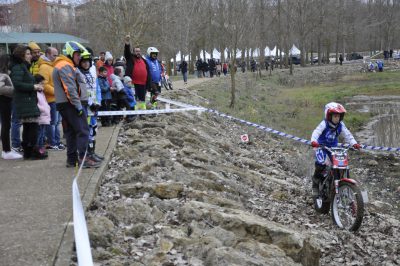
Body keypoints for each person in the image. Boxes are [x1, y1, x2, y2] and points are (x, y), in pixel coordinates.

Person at [53, 41, 100, 168]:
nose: (80, 57)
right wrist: (78, 106)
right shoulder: (65, 66)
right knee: (83, 131)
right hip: (71, 105)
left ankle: (72, 159)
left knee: (72, 133)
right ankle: (83, 158)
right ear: (70, 53)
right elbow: (70, 88)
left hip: (68, 104)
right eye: (78, 54)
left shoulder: (67, 65)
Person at [310, 102, 361, 196]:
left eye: (339, 116)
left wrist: (354, 143)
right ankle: (315, 183)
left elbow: (347, 135)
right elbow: (316, 132)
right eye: (335, 116)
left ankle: (339, 182)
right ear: (329, 115)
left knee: (340, 165)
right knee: (321, 164)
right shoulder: (324, 124)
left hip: (333, 148)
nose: (337, 118)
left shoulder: (341, 125)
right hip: (321, 147)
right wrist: (313, 141)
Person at [9, 45, 44, 160]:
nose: (31, 55)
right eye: (28, 54)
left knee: (29, 127)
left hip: (28, 101)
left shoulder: (23, 67)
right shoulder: (18, 67)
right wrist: (34, 86)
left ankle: (29, 152)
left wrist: (36, 82)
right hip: (25, 101)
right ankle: (32, 151)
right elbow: (17, 84)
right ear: (22, 56)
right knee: (32, 127)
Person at [77, 48, 104, 162]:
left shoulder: (92, 72)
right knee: (87, 131)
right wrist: (89, 103)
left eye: (88, 61)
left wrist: (98, 102)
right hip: (86, 107)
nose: (86, 64)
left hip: (94, 106)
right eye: (83, 62)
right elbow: (80, 92)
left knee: (93, 129)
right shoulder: (78, 74)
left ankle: (92, 152)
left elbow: (97, 88)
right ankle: (86, 154)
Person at [38, 46, 64, 150]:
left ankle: (56, 141)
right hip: (51, 100)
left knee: (57, 123)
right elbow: (44, 84)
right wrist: (57, 92)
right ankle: (52, 142)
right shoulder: (44, 67)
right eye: (54, 55)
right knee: (52, 123)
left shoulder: (53, 66)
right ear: (48, 55)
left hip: (56, 99)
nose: (56, 57)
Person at [0, 54, 22, 159]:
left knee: (6, 125)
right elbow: (1, 88)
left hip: (6, 101)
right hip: (4, 101)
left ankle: (6, 150)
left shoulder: (5, 74)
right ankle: (6, 150)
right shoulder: (2, 75)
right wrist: (14, 90)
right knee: (5, 125)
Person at [124, 35, 151, 110]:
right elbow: (127, 52)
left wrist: (149, 84)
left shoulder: (144, 60)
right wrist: (127, 43)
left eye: (139, 51)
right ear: (133, 52)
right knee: (134, 99)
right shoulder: (130, 58)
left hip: (143, 83)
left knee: (142, 99)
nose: (138, 53)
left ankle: (142, 112)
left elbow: (148, 72)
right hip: (133, 83)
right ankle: (134, 112)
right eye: (136, 51)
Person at [34, 74, 50, 159]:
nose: (43, 85)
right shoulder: (36, 93)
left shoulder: (41, 92)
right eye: (41, 83)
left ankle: (41, 148)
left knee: (42, 133)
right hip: (41, 116)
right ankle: (38, 149)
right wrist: (44, 109)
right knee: (39, 134)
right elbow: (38, 104)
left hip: (44, 116)